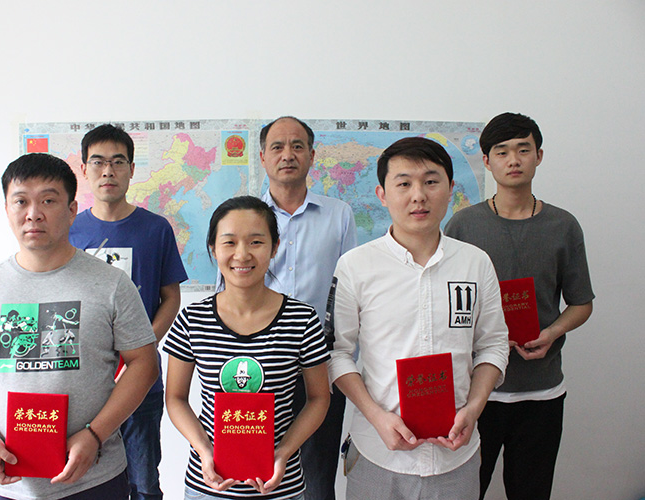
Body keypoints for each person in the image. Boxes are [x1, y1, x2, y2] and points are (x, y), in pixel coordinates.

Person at [0, 153, 159, 500]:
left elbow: (144, 364)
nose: (34, 213)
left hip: (95, 480)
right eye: (21, 201)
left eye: (48, 200)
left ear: (72, 209)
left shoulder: (112, 284)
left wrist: (95, 434)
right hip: (9, 483)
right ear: (6, 210)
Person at [328, 137, 510, 499]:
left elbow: (493, 345)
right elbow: (337, 353)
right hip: (378, 453)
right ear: (382, 194)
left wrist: (475, 408)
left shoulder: (475, 263)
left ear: (451, 188)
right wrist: (377, 417)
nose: (418, 196)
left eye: (430, 181)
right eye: (404, 183)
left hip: (456, 457)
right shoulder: (356, 266)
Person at [445, 112, 594, 500]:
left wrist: (552, 332)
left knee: (532, 492)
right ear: (487, 161)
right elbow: (445, 305)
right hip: (475, 393)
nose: (513, 160)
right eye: (502, 151)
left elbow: (581, 303)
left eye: (523, 150)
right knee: (464, 492)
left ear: (539, 156)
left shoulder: (563, 226)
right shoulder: (463, 226)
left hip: (541, 390)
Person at [166, 196, 331, 499]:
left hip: (281, 486)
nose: (242, 254)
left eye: (256, 242)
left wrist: (284, 452)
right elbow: (175, 398)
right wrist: (204, 450)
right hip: (208, 486)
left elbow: (319, 398)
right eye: (229, 242)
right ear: (213, 248)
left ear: (275, 247)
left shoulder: (302, 319)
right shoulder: (192, 319)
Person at [69, 124, 188, 500]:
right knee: (84, 480)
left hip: (140, 380)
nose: (108, 171)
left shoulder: (156, 229)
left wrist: (144, 343)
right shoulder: (69, 229)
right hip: (85, 381)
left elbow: (170, 296)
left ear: (132, 169)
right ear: (84, 169)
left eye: (118, 162)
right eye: (98, 162)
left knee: (143, 481)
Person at [258, 116, 358, 500]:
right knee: (256, 471)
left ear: (312, 156)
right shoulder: (247, 215)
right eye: (278, 147)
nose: (288, 155)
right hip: (260, 366)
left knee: (317, 477)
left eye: (297, 146)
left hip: (320, 367)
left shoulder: (338, 214)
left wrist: (344, 364)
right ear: (263, 157)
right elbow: (227, 291)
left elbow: (348, 294)